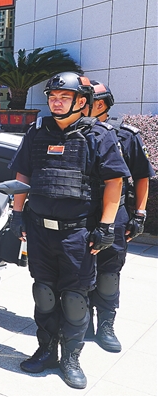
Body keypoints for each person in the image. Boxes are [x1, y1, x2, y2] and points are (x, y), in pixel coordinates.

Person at [8, 72, 129, 389]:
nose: (56, 102)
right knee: (44, 293)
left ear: (81, 101)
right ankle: (46, 351)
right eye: (52, 97)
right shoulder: (37, 132)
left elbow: (114, 182)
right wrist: (17, 215)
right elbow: (23, 174)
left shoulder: (98, 135)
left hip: (77, 234)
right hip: (39, 231)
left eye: (64, 97)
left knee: (75, 299)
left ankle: (71, 359)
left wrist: (106, 226)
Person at [84, 80, 155, 353]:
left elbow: (142, 176)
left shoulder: (126, 135)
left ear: (100, 104)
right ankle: (82, 322)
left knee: (109, 271)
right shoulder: (75, 132)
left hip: (116, 213)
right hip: (82, 211)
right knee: (79, 268)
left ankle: (106, 325)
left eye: (85, 100)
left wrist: (139, 214)